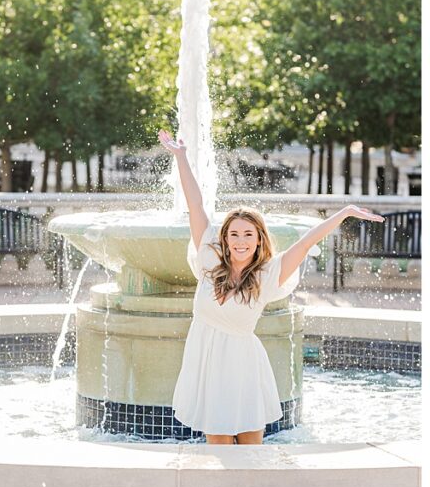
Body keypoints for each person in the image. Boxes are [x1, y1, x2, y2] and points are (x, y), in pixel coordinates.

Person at [158, 130, 383, 444]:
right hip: (207, 363)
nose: (240, 241)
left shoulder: (268, 273)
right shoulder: (209, 257)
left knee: (251, 446)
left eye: (248, 235)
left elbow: (305, 244)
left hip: (244, 366)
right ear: (224, 238)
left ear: (259, 239)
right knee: (219, 444)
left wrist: (343, 213)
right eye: (234, 234)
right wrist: (180, 157)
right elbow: (195, 204)